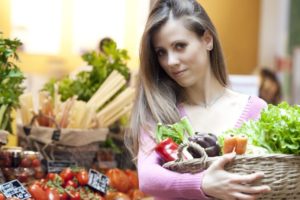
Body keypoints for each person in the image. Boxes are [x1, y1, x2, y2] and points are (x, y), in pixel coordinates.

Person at [125, 0, 271, 199]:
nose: (170, 61)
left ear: (207, 39)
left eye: (180, 46)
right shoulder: (159, 111)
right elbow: (148, 178)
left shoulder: (255, 109)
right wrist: (202, 183)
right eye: (161, 52)